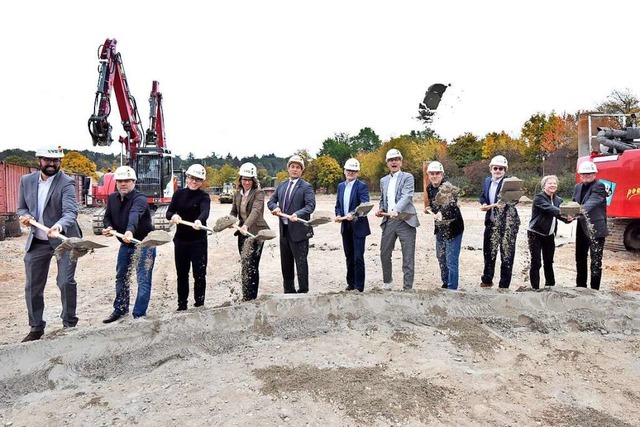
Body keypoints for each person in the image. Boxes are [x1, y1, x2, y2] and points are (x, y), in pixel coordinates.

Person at [17, 146, 82, 342]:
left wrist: (59, 226)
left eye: (56, 160)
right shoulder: (26, 181)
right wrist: (25, 216)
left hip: (63, 240)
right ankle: (36, 327)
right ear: (39, 161)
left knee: (65, 281)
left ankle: (69, 323)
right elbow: (21, 208)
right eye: (47, 160)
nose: (52, 164)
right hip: (37, 240)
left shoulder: (67, 182)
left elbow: (70, 212)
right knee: (32, 286)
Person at [101, 166, 157, 323]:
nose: (123, 184)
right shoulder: (112, 198)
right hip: (125, 245)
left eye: (126, 181)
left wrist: (129, 231)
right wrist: (109, 227)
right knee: (121, 276)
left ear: (134, 182)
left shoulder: (140, 198)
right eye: (119, 181)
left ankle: (139, 315)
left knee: (143, 279)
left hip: (144, 244)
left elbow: (135, 215)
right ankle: (120, 309)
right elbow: (107, 217)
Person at [267, 155, 316, 294]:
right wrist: (274, 208)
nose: (295, 170)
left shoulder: (306, 187)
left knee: (301, 264)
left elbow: (310, 206)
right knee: (286, 264)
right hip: (285, 231)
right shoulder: (282, 185)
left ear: (301, 170)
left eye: (298, 167)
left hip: (299, 232)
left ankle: (303, 291)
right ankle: (288, 291)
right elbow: (271, 201)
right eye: (292, 167)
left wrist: (298, 214)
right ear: (288, 168)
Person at [166, 164, 211, 310]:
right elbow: (169, 212)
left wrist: (199, 220)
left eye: (198, 179)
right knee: (182, 274)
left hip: (198, 242)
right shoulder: (178, 194)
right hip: (181, 241)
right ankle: (182, 304)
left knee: (199, 274)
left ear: (202, 181)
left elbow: (205, 212)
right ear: (187, 177)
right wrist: (174, 215)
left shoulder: (204, 196)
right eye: (192, 178)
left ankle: (199, 304)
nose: (194, 181)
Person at [375, 148, 419, 291]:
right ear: (387, 163)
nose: (394, 162)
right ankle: (388, 282)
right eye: (391, 160)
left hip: (406, 220)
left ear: (401, 162)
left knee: (408, 256)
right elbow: (384, 199)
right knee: (384, 253)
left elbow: (407, 196)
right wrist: (381, 209)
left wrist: (396, 210)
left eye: (396, 159)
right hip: (389, 221)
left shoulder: (408, 177)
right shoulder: (383, 180)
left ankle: (407, 288)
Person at [230, 162, 270, 300]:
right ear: (240, 180)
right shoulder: (237, 194)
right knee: (244, 263)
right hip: (242, 233)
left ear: (253, 180)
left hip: (256, 233)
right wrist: (230, 221)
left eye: (249, 180)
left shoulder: (258, 193)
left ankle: (252, 297)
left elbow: (256, 211)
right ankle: (245, 295)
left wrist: (246, 226)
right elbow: (234, 212)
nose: (246, 182)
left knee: (252, 264)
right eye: (244, 179)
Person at [479, 155, 521, 289]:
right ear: (491, 169)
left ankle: (503, 286)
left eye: (501, 169)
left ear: (505, 170)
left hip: (508, 224)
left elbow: (515, 198)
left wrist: (507, 202)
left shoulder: (509, 182)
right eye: (495, 168)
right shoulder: (487, 181)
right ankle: (487, 280)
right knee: (488, 253)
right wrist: (485, 203)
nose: (498, 171)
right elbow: (483, 196)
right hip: (491, 222)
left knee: (506, 255)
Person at [527, 175, 573, 289]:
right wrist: (564, 212)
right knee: (536, 262)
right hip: (535, 233)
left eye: (555, 183)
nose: (553, 185)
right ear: (544, 186)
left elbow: (561, 217)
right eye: (550, 183)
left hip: (549, 234)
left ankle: (550, 286)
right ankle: (535, 288)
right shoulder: (539, 198)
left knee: (549, 261)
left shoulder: (558, 200)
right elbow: (549, 209)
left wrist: (571, 217)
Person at [424, 161, 464, 290]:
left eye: (437, 173)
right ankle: (445, 283)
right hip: (440, 228)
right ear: (428, 175)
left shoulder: (448, 187)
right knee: (441, 257)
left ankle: (452, 289)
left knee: (451, 260)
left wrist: (441, 212)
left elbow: (451, 204)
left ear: (442, 174)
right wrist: (430, 208)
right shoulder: (429, 188)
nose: (435, 176)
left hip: (453, 228)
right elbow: (434, 203)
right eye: (432, 173)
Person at [334, 158, 371, 292]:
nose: (351, 172)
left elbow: (364, 204)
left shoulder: (361, 186)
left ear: (357, 172)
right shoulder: (341, 186)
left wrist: (353, 213)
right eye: (348, 170)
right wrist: (338, 214)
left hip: (358, 227)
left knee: (358, 257)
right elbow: (338, 205)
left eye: (353, 171)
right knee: (349, 256)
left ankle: (359, 286)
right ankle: (350, 284)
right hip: (345, 226)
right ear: (344, 171)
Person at [572, 161, 608, 290]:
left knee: (596, 261)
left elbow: (592, 202)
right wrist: (568, 213)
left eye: (589, 174)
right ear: (580, 175)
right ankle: (581, 286)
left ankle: (594, 289)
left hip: (595, 228)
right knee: (580, 258)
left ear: (594, 174)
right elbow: (573, 203)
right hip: (581, 228)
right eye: (583, 174)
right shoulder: (577, 187)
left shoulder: (599, 186)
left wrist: (578, 211)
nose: (586, 176)